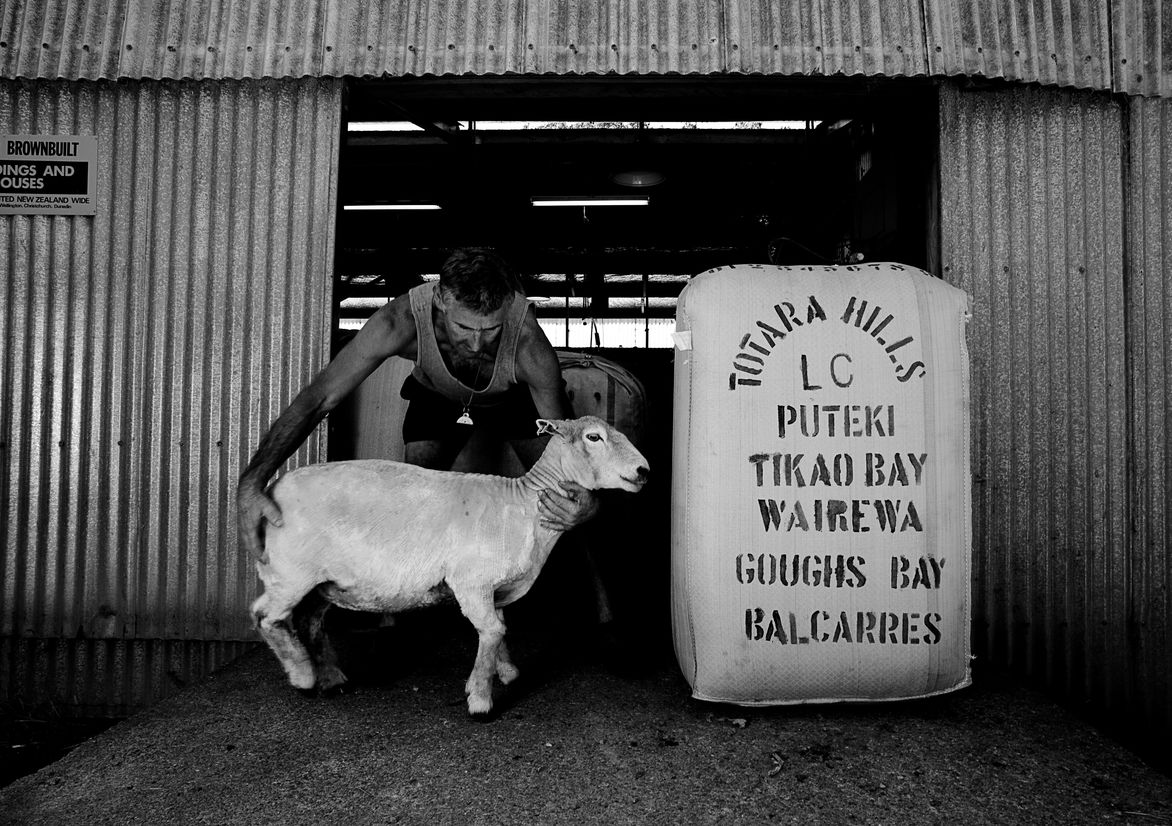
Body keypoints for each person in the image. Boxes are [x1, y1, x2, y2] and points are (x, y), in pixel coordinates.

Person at [237, 248, 597, 566]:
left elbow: (565, 440)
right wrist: (253, 481)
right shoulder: (400, 321)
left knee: (561, 499)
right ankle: (402, 602)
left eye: (491, 330)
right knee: (414, 499)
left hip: (511, 398)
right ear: (440, 299)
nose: (476, 344)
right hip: (436, 395)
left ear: (509, 306)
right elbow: (319, 398)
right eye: (463, 327)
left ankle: (593, 598)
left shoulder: (529, 346)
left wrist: (587, 501)